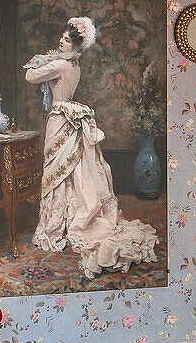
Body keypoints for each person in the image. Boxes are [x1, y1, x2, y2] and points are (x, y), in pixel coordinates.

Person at [23, 16, 158, 277]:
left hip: (60, 120)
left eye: (65, 40)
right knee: (71, 172)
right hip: (68, 117)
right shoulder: (74, 66)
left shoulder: (61, 64)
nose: (60, 42)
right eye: (61, 38)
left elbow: (30, 76)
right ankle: (66, 219)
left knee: (58, 171)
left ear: (74, 45)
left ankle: (57, 226)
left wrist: (43, 61)